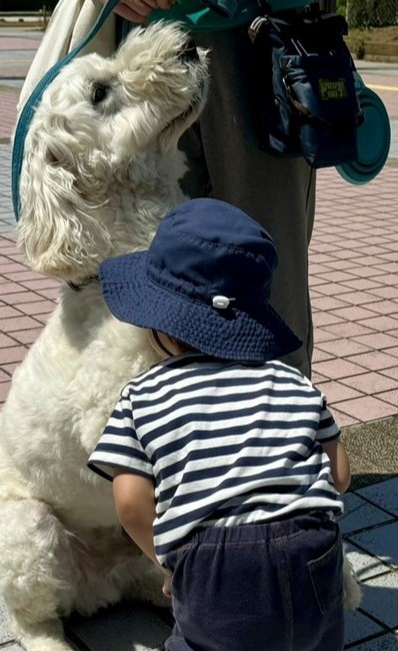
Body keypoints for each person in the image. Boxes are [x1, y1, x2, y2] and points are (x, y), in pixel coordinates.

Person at [87, 198, 351, 651]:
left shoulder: (143, 394)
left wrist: (168, 558)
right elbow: (338, 473)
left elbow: (129, 500)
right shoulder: (292, 380)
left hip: (211, 562)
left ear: (161, 324)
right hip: (312, 551)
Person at [113, 0, 319, 376]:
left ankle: (286, 428)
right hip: (145, 46)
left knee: (269, 309)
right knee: (150, 319)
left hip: (260, 35)